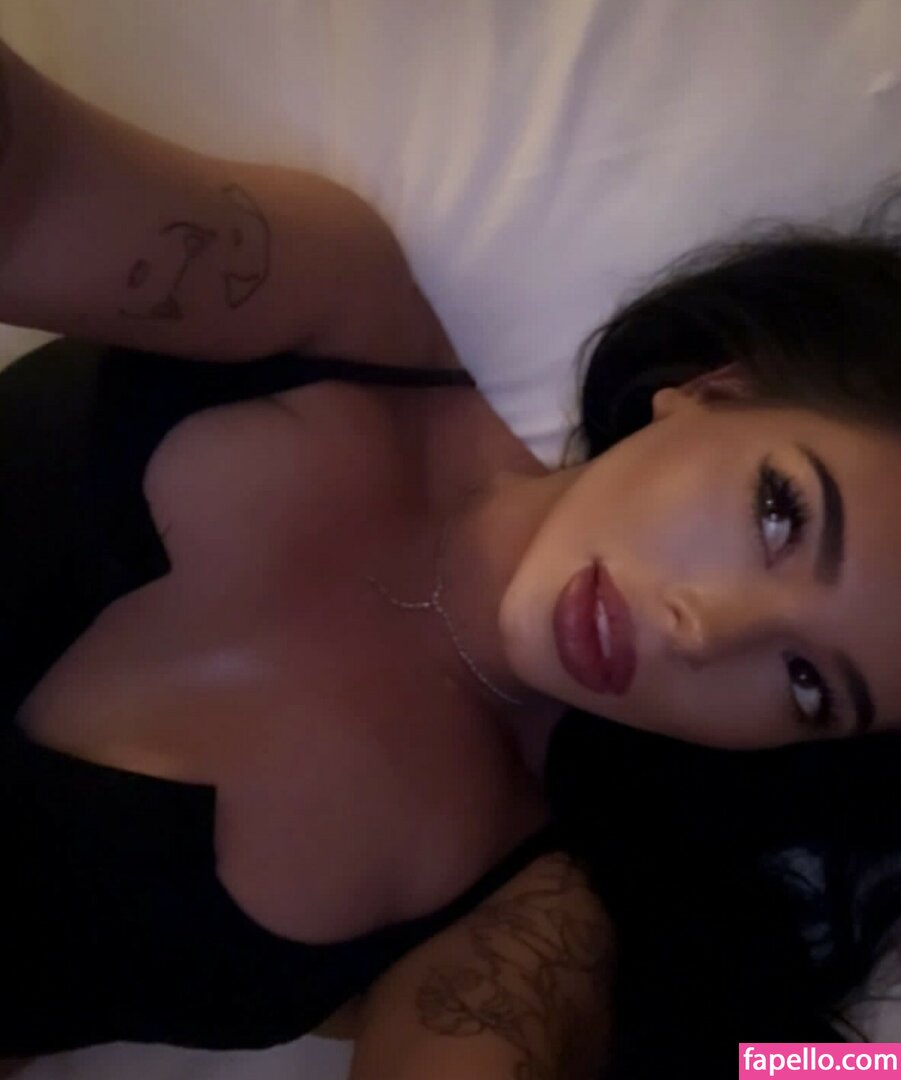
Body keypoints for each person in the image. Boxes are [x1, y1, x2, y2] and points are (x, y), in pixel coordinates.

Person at [1, 37, 900, 1080]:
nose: (702, 630)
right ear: (714, 389)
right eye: (780, 515)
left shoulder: (535, 891)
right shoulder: (343, 314)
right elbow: (34, 182)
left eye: (804, 682)